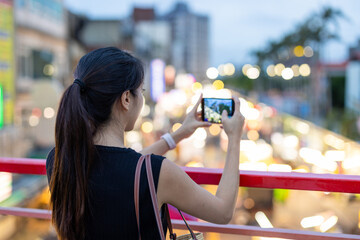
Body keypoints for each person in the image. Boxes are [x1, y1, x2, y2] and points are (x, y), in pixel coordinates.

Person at [46, 47, 245, 240]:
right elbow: (223, 211)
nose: (141, 98)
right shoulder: (159, 172)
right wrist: (234, 138)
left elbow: (129, 167)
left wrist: (178, 134)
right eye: (140, 91)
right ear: (126, 99)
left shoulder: (59, 159)